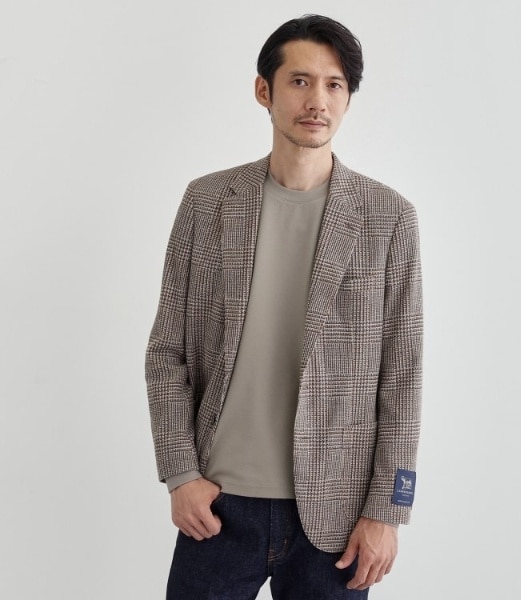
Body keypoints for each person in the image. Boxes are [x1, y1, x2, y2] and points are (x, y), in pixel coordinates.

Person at [146, 14, 423, 599]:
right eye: (299, 81)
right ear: (263, 91)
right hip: (217, 506)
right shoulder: (207, 202)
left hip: (337, 518)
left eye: (334, 85)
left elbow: (402, 375)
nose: (317, 100)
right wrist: (180, 474)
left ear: (347, 98)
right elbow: (167, 352)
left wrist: (389, 510)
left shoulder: (389, 217)